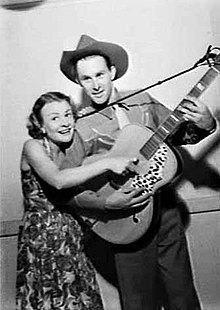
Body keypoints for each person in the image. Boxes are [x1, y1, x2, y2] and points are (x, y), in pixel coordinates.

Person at [59, 35, 217, 310]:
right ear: (79, 82)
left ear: (111, 72)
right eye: (86, 79)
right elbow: (65, 187)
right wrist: (107, 202)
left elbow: (179, 137)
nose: (95, 85)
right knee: (138, 302)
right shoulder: (79, 126)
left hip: (167, 212)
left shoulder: (143, 102)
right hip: (124, 218)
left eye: (99, 74)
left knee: (183, 296)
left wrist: (205, 124)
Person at [16, 91, 144, 310]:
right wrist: (109, 163)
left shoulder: (73, 148)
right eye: (54, 118)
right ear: (40, 124)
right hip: (44, 243)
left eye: (68, 115)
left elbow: (101, 146)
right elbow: (57, 180)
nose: (65, 123)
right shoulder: (33, 147)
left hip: (74, 238)